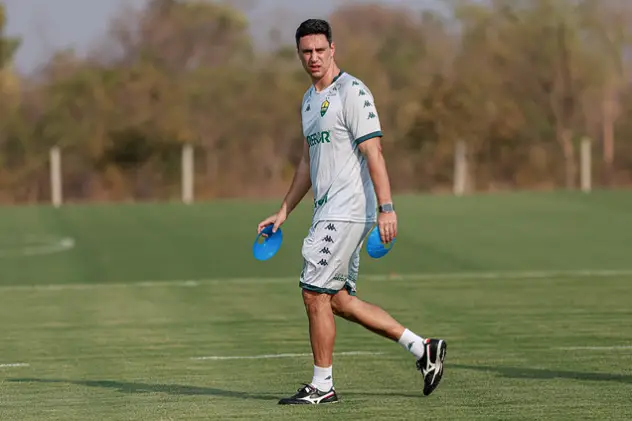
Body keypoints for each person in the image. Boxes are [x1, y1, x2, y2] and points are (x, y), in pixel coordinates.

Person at [257, 18, 447, 405]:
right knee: (337, 300)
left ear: (333, 50)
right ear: (299, 54)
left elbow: (373, 151)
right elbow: (307, 164)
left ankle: (322, 385)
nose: (313, 57)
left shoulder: (353, 92)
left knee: (313, 293)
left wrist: (387, 208)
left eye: (320, 50)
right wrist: (283, 211)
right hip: (326, 211)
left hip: (347, 211)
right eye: (306, 51)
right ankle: (422, 348)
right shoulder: (309, 100)